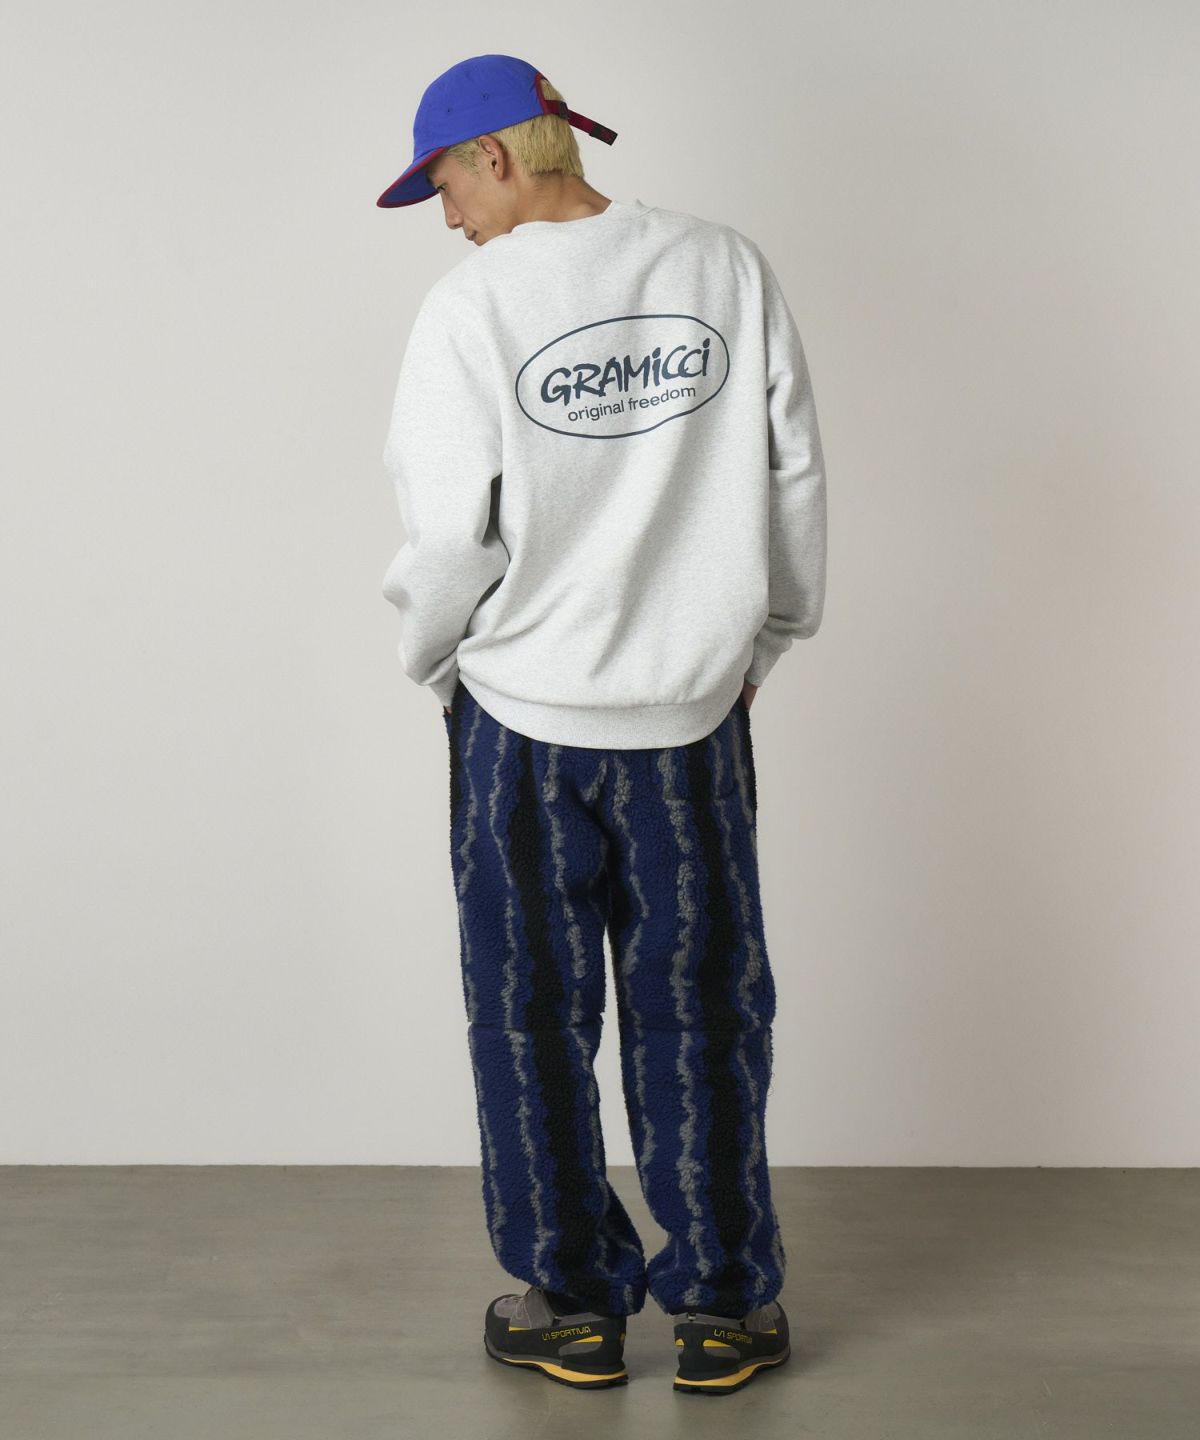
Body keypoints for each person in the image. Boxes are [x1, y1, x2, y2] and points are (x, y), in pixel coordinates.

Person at [376, 53, 827, 1395]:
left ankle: (573, 1308)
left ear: (497, 156)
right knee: (705, 1013)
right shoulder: (723, 268)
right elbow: (791, 475)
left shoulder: (471, 308)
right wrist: (761, 642)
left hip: (523, 727)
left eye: (444, 185)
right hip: (692, 721)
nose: (448, 217)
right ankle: (724, 1309)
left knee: (528, 1018)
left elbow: (447, 537)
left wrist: (440, 665)